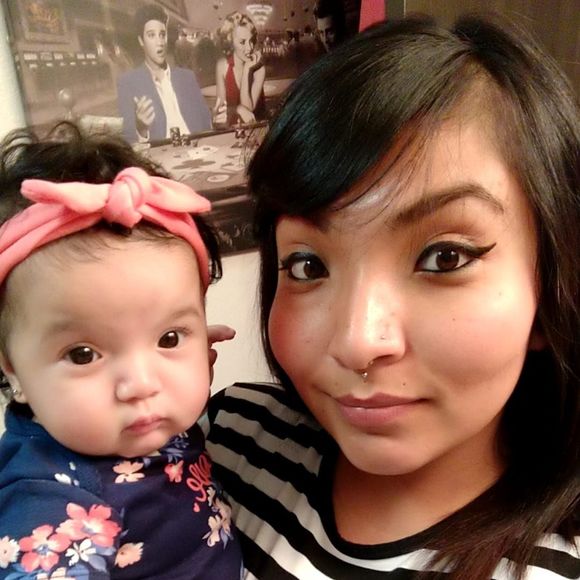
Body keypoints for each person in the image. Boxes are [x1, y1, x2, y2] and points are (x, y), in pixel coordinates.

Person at [205, 13, 580, 579]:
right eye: (308, 265)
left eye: (445, 257)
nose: (359, 343)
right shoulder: (224, 440)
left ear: (549, 287)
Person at [0, 124, 242, 578]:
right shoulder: (49, 502)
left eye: (169, 337)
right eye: (83, 354)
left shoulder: (137, 421)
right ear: (12, 369)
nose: (142, 384)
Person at [117, 4, 212, 143]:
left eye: (162, 35)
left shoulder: (187, 77)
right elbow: (127, 142)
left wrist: (216, 120)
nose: (160, 42)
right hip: (161, 154)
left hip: (198, 149)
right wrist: (141, 129)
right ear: (141, 41)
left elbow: (206, 123)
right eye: (151, 35)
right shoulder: (128, 83)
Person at [214, 12, 267, 127]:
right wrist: (237, 109)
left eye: (251, 41)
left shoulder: (259, 68)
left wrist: (247, 70)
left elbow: (248, 110)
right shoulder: (222, 66)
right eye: (242, 42)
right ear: (230, 41)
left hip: (258, 131)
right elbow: (220, 111)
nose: (249, 48)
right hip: (231, 131)